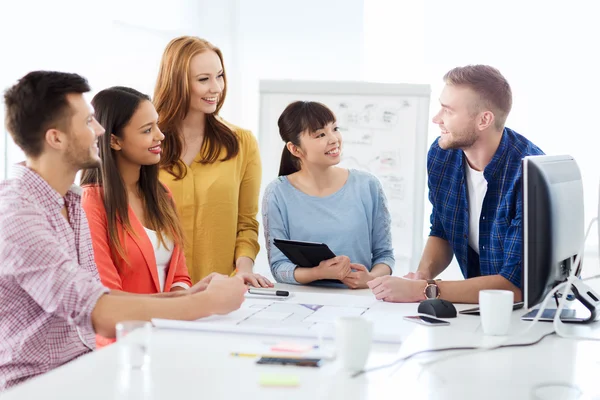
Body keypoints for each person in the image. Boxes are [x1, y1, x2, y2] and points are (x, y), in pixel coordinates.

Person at [0, 71, 247, 390]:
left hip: (86, 368)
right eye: (89, 122)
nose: (100, 130)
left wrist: (191, 294)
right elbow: (98, 311)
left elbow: (100, 295)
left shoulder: (70, 202)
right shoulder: (17, 213)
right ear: (56, 138)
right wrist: (209, 304)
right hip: (38, 385)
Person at [368, 65, 544, 303]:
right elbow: (442, 228)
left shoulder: (529, 175)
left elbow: (515, 286)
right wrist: (423, 275)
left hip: (525, 315)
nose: (436, 119)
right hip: (477, 308)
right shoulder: (442, 155)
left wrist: (423, 290)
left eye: (448, 111)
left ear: (484, 120)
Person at [80, 87, 199, 347]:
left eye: (157, 125)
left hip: (165, 335)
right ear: (114, 140)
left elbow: (179, 275)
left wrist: (186, 300)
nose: (160, 136)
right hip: (121, 345)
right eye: (147, 130)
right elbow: (108, 296)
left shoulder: (162, 195)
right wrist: (191, 304)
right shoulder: (92, 203)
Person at [154, 36, 271, 288]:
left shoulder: (242, 143)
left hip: (218, 290)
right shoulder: (147, 142)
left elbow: (246, 223)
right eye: (203, 79)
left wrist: (243, 269)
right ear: (177, 83)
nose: (216, 88)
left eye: (219, 76)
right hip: (158, 290)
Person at [262, 101, 394, 288]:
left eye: (335, 128)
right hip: (302, 305)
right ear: (295, 149)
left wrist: (370, 279)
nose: (334, 139)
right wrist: (318, 273)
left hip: (360, 302)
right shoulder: (277, 193)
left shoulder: (368, 186)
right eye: (320, 134)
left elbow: (385, 256)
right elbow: (279, 267)